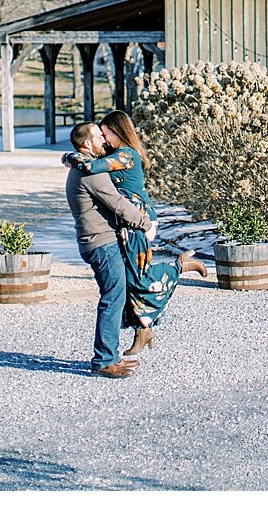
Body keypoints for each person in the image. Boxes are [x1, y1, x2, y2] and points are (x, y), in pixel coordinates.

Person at [63, 110, 207, 358]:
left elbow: (93, 166)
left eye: (106, 133)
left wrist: (68, 156)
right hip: (128, 223)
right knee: (132, 278)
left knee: (138, 278)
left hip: (138, 222)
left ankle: (179, 266)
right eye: (101, 135)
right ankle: (144, 328)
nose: (105, 140)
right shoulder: (114, 154)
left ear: (118, 132)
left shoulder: (126, 155)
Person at [65, 121, 157, 378]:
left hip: (98, 240)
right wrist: (144, 223)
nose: (104, 141)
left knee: (117, 294)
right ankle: (104, 361)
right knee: (112, 297)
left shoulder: (83, 166)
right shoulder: (89, 173)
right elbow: (117, 203)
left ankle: (111, 355)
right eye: (98, 137)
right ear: (86, 144)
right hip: (100, 243)